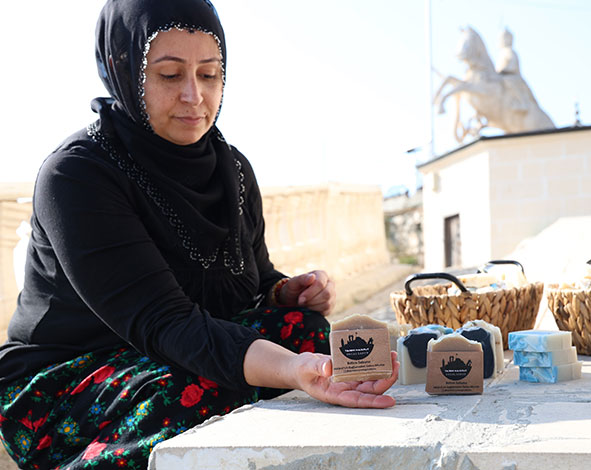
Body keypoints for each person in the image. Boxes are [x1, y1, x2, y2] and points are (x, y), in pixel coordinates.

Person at [0, 0, 398, 468]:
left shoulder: (233, 170)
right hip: (72, 376)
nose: (194, 95)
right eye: (170, 75)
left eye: (209, 75)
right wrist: (293, 370)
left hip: (176, 348)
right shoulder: (77, 176)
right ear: (123, 68)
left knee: (303, 330)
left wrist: (284, 292)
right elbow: (164, 320)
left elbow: (254, 280)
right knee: (197, 388)